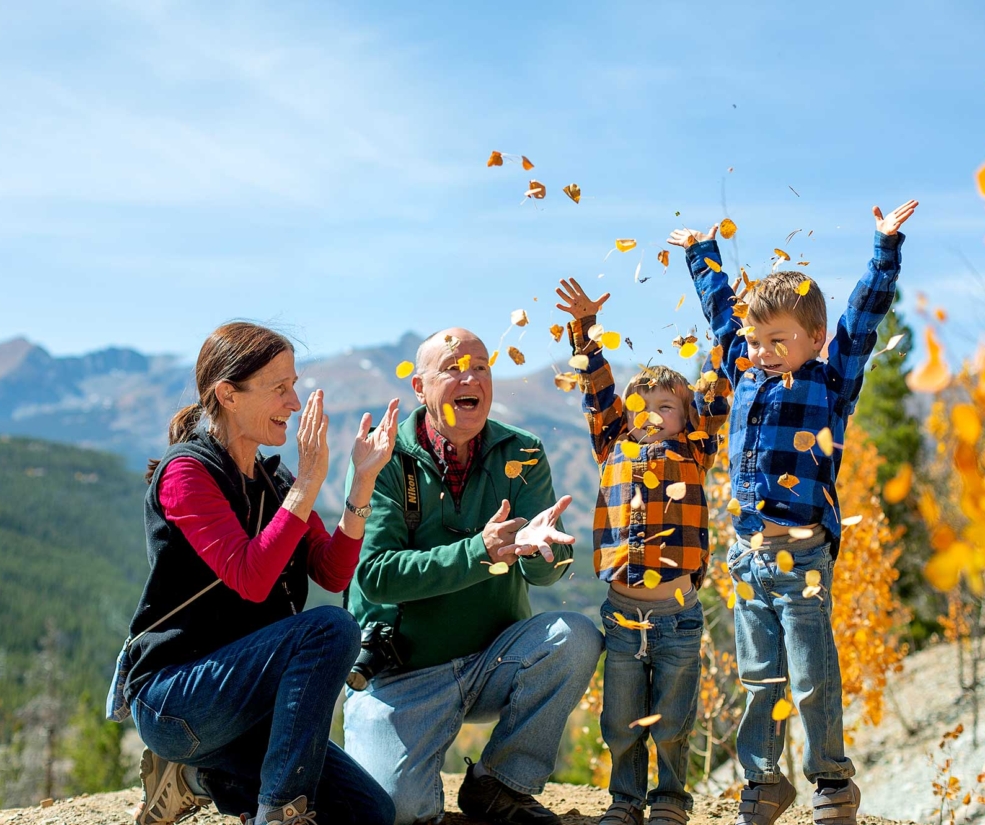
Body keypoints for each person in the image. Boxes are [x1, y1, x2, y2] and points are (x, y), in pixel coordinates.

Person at [670, 200, 919, 825]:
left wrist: (884, 247)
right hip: (749, 557)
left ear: (814, 339)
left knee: (811, 677)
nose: (762, 352)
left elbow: (863, 316)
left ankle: (832, 782)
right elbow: (723, 316)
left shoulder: (830, 380)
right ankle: (763, 781)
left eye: (778, 341)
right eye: (757, 342)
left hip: (803, 556)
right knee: (760, 678)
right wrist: (702, 254)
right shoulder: (743, 370)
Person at [124, 321, 398, 825]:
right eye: (280, 388)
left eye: (293, 386)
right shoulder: (187, 473)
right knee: (331, 628)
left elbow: (333, 573)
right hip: (177, 700)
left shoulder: (277, 484)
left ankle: (197, 778)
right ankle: (279, 813)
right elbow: (250, 578)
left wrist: (361, 480)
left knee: (371, 813)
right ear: (228, 394)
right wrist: (310, 481)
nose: (294, 403)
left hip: (244, 705)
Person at [342, 327, 604, 825]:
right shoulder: (386, 457)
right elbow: (375, 575)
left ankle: (500, 785)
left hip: (492, 659)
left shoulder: (521, 451)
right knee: (394, 811)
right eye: (453, 367)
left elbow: (551, 573)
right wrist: (479, 552)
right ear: (420, 388)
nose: (471, 377)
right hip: (404, 673)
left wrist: (542, 556)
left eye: (481, 366)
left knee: (575, 636)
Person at [556, 278, 729, 825]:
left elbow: (719, 390)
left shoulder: (694, 450)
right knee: (622, 717)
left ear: (687, 418)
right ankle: (626, 801)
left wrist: (729, 330)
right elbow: (597, 388)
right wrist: (585, 329)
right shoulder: (614, 444)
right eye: (642, 406)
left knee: (673, 717)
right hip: (622, 614)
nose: (651, 414)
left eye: (666, 406)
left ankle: (672, 800)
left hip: (676, 616)